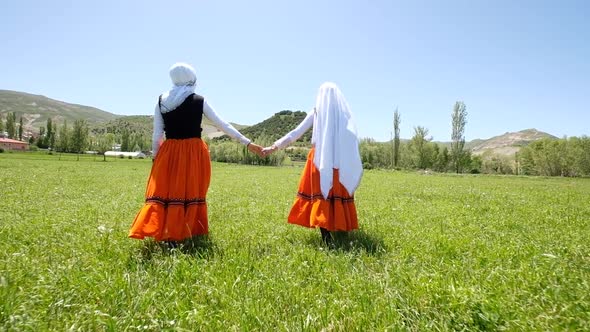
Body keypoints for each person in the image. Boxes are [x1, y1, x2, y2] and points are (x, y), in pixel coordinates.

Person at [129, 62, 262, 244]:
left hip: (169, 150)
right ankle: (185, 231)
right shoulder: (198, 100)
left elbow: (157, 133)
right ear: (191, 77)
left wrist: (156, 156)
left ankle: (170, 233)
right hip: (193, 151)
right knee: (189, 189)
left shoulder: (161, 100)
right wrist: (247, 142)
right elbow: (223, 124)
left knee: (168, 190)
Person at [262, 82, 362, 244]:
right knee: (337, 194)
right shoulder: (344, 114)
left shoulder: (317, 113)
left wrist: (274, 147)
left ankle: (326, 237)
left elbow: (295, 133)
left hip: (319, 160)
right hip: (339, 161)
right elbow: (351, 137)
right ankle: (342, 232)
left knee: (322, 194)